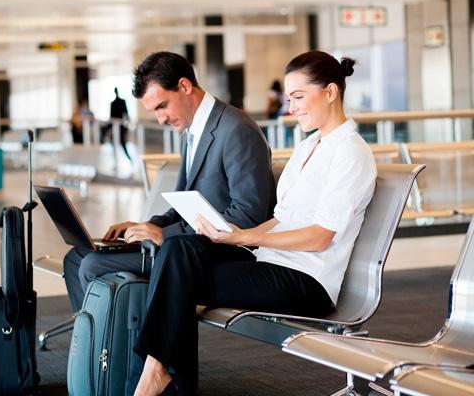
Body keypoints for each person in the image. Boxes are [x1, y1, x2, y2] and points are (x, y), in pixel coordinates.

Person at [132, 50, 377, 396]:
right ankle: (159, 375)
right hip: (271, 265)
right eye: (290, 98)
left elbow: (321, 237)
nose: (291, 108)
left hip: (307, 281)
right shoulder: (308, 147)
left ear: (331, 92)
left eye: (298, 97)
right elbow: (280, 218)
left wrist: (242, 237)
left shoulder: (350, 153)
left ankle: (153, 378)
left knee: (179, 276)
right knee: (179, 249)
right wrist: (230, 235)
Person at [62, 51, 274, 316]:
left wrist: (166, 236)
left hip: (223, 251)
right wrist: (148, 226)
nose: (160, 119)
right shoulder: (192, 132)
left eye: (162, 106)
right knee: (76, 258)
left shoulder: (236, 129)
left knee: (93, 264)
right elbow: (183, 204)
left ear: (185, 86)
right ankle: (92, 348)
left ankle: (117, 354)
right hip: (186, 243)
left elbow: (247, 215)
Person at [101, 87, 133, 161]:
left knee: (122, 143)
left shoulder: (119, 102)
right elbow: (113, 116)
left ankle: (129, 160)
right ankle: (118, 161)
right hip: (116, 126)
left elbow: (125, 114)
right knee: (116, 143)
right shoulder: (115, 102)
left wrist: (127, 125)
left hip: (120, 126)